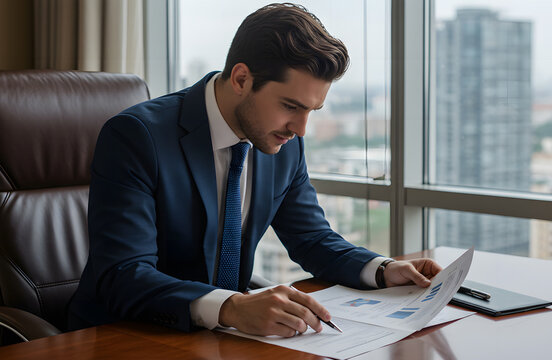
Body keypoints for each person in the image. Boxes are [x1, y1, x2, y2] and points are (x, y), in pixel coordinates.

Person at [68, 3, 441, 337]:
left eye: (313, 111)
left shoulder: (282, 142)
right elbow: (122, 276)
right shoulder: (137, 137)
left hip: (222, 337)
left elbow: (311, 239)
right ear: (242, 79)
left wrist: (382, 270)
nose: (301, 129)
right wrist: (231, 307)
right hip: (126, 335)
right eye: (291, 106)